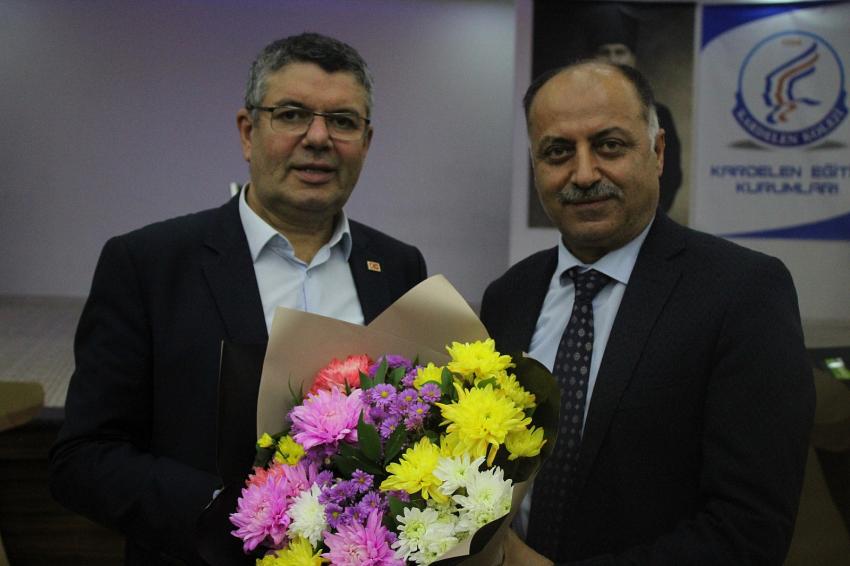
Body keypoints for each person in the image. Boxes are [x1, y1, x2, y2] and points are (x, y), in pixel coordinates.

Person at [49, 33, 427, 565]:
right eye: (292, 114)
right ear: (249, 132)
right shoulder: (148, 264)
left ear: (366, 141)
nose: (318, 137)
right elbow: (83, 458)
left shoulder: (398, 267)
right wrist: (228, 511)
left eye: (342, 121)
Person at [480, 60, 814, 565]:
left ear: (657, 152)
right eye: (558, 152)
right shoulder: (509, 295)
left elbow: (750, 531)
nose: (584, 174)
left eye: (609, 145)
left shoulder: (743, 292)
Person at [585, 3, 683, 213]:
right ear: (593, 59)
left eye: (620, 52)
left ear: (633, 58)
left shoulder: (659, 115)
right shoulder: (575, 113)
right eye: (605, 52)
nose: (613, 59)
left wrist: (644, 219)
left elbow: (671, 176)